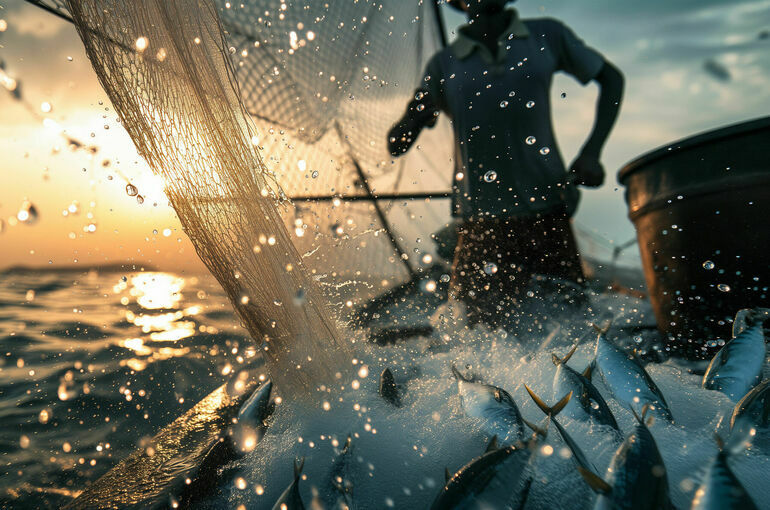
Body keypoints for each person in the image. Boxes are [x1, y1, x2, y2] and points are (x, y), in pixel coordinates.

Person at [388, 0, 624, 330]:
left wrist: (591, 152)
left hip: (547, 213)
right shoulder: (444, 64)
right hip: (481, 225)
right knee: (471, 341)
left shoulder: (546, 35)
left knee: (571, 332)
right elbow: (396, 144)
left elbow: (611, 79)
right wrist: (414, 116)